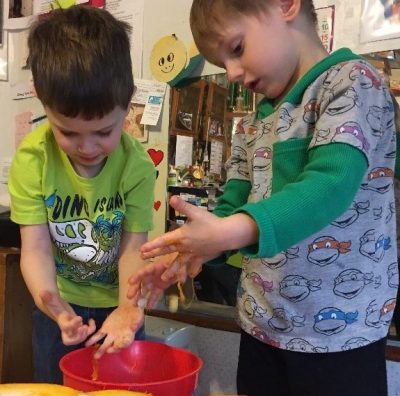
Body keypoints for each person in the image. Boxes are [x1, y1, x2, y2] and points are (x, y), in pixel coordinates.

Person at [128, 1, 399, 395]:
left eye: (236, 48)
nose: (234, 73)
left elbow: (330, 185)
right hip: (262, 326)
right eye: (224, 61)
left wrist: (228, 232)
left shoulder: (352, 82)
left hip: (342, 335)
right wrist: (191, 251)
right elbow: (231, 203)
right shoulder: (256, 121)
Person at [8, 5, 155, 384]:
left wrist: (127, 305)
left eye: (105, 132)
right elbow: (36, 249)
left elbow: (132, 248)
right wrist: (53, 306)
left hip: (120, 305)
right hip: (60, 306)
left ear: (128, 100)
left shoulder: (136, 164)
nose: (87, 147)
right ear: (42, 98)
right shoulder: (32, 160)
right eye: (69, 133)